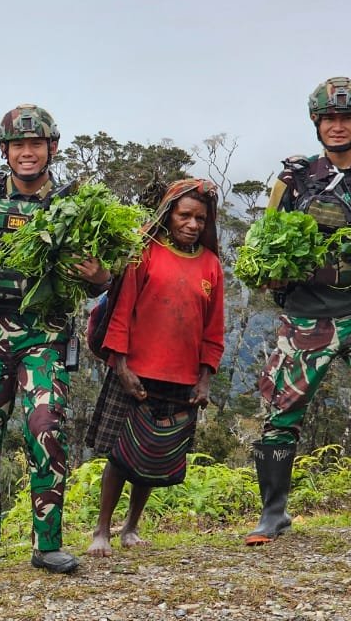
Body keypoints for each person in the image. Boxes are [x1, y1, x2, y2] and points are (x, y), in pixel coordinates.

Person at [0, 104, 109, 575]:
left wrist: (99, 277)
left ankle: (47, 544)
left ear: (52, 147)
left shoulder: (76, 203)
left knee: (45, 426)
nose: (26, 153)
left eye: (35, 144)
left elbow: (100, 273)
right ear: (5, 150)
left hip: (46, 334)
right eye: (17, 145)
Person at [245, 77, 351, 548]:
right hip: (304, 315)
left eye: (347, 117)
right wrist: (271, 275)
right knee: (279, 411)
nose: (337, 126)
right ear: (316, 122)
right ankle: (273, 514)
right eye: (329, 118)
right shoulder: (292, 181)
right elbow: (262, 249)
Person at [85, 179, 225, 557]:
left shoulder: (211, 265)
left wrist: (205, 378)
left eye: (200, 218)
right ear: (169, 214)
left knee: (153, 455)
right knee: (118, 455)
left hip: (181, 377)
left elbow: (214, 328)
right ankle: (102, 530)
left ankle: (131, 526)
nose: (192, 224)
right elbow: (122, 311)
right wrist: (121, 364)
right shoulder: (144, 252)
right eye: (185, 215)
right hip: (136, 371)